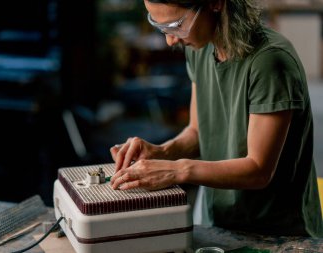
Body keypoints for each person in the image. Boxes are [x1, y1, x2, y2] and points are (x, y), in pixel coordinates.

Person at [109, 0, 323, 237]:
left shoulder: (270, 61)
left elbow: (258, 169)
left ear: (215, 3)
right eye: (160, 26)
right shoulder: (198, 48)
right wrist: (161, 152)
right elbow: (198, 132)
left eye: (176, 25)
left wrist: (176, 170)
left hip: (277, 232)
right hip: (220, 222)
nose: (170, 40)